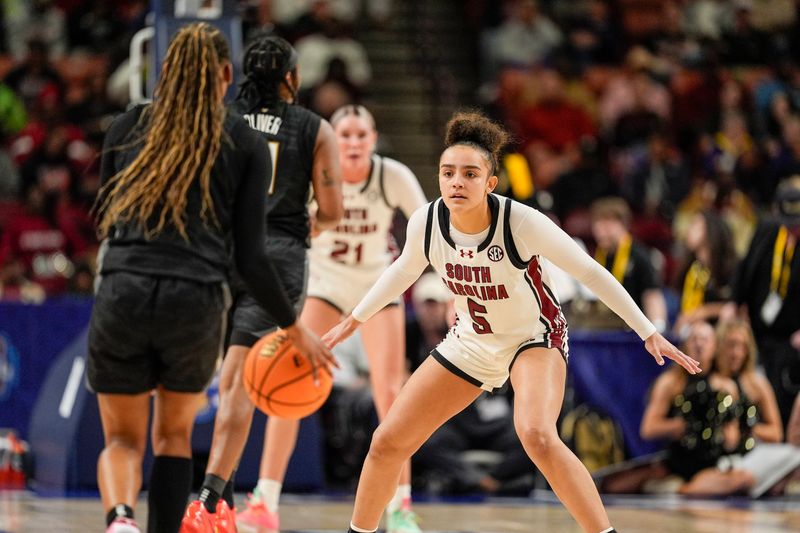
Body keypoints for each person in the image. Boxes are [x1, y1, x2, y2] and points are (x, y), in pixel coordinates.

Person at [323, 111, 700, 533]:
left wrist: (648, 331)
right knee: (387, 441)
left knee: (536, 434)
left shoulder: (519, 222)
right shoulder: (426, 222)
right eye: (448, 173)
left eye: (470, 173)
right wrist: (355, 319)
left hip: (534, 338)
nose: (457, 182)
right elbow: (401, 272)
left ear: (490, 183)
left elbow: (591, 272)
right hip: (472, 340)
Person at [88, 24, 334, 533]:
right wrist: (294, 326)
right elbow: (251, 255)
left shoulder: (126, 126)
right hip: (198, 294)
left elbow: (104, 221)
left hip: (125, 286)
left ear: (162, 71)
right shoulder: (238, 139)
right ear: (225, 74)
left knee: (120, 441)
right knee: (174, 437)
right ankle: (190, 510)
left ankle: (119, 520)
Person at [179, 34, 344, 533]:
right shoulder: (314, 128)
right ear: (292, 77)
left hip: (218, 254)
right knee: (240, 385)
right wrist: (303, 224)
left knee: (218, 379)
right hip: (278, 259)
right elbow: (332, 211)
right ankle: (207, 504)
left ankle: (219, 504)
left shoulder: (220, 121)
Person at [236, 104, 427, 533]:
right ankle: (265, 501)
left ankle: (400, 505)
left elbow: (429, 227)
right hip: (324, 286)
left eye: (362, 135)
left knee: (390, 391)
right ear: (332, 141)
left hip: (377, 285)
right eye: (346, 135)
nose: (355, 143)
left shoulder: (391, 176)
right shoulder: (313, 173)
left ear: (373, 139)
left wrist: (451, 287)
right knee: (286, 378)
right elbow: (282, 232)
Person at [724, 175, 800, 429]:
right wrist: (734, 302)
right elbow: (746, 266)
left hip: (792, 334)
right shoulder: (768, 229)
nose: (792, 228)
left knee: (784, 387)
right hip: (759, 327)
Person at [589, 197, 668, 333]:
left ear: (623, 225)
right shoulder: (597, 256)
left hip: (634, 332)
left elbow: (652, 296)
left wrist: (658, 329)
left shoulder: (640, 257)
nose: (601, 231)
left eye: (607, 225)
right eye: (598, 225)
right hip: (605, 327)